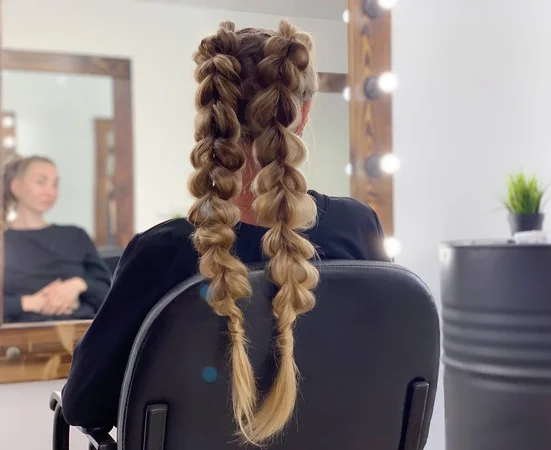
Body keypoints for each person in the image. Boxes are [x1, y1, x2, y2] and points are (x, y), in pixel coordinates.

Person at [62, 20, 389, 445]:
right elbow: (381, 369)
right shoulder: (358, 229)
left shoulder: (162, 254)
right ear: (302, 115)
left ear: (210, 118)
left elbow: (85, 405)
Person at [2, 155, 112, 323]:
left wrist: (78, 285)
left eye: (55, 184)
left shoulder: (76, 236)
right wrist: (30, 303)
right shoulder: (4, 242)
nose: (51, 192)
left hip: (83, 335)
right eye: (41, 182)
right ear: (16, 187)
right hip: (21, 341)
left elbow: (110, 294)